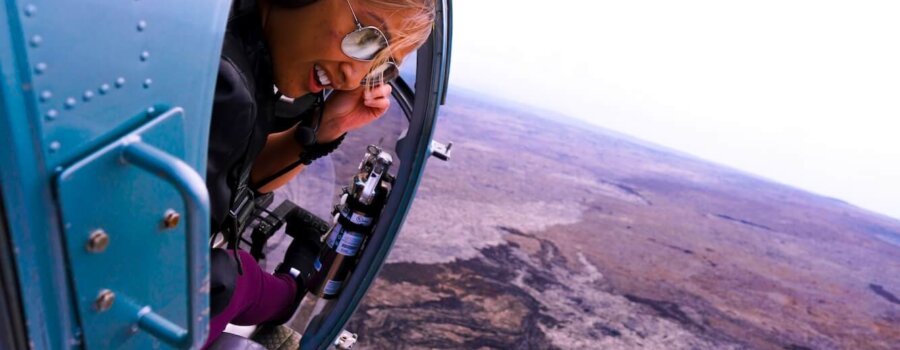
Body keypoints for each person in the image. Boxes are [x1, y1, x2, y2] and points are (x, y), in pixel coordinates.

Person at [204, 0, 435, 347]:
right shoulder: (223, 86)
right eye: (367, 39)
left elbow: (240, 178)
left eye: (380, 67)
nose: (354, 77)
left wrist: (329, 125)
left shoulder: (235, 45)